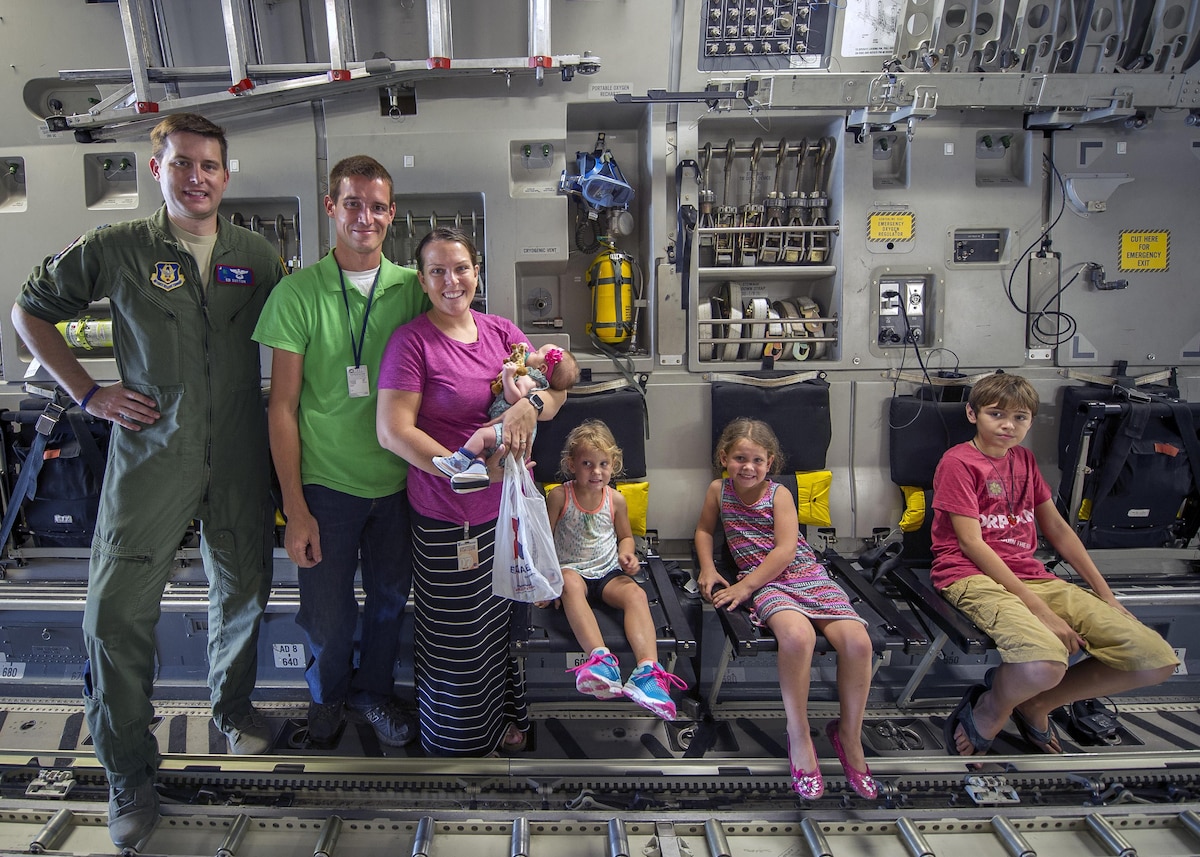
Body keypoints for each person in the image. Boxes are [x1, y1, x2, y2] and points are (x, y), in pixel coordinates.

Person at [10, 113, 285, 850]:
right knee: (114, 613)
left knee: (244, 589)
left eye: (210, 165)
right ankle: (129, 767)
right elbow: (30, 311)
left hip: (238, 449)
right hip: (152, 450)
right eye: (182, 163)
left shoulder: (257, 255)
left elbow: (299, 336)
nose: (197, 177)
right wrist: (87, 393)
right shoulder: (118, 247)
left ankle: (232, 709)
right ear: (156, 168)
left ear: (226, 175)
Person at [252, 155, 429, 750]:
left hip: (400, 484)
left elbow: (465, 349)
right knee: (326, 615)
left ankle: (372, 693)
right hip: (326, 486)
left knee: (388, 602)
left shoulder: (414, 288)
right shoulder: (297, 294)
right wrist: (295, 507)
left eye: (377, 206)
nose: (365, 218)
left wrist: (537, 386)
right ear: (331, 207)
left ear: (392, 213)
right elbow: (282, 408)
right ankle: (327, 695)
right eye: (352, 204)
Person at [376, 226, 565, 756]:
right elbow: (393, 431)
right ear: (422, 280)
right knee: (456, 639)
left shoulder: (502, 332)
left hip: (506, 514)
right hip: (447, 518)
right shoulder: (412, 342)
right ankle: (455, 742)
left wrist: (531, 406)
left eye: (460, 268)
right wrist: (465, 472)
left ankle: (502, 721)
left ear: (476, 273)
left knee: (500, 626)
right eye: (437, 271)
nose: (451, 280)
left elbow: (555, 388)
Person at [932, 372, 1178, 759]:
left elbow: (1059, 530)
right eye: (996, 414)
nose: (1008, 425)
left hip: (1033, 576)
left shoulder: (1024, 460)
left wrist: (1106, 595)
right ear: (972, 414)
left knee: (1154, 660)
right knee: (1046, 664)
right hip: (971, 576)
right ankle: (992, 707)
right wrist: (1039, 610)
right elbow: (971, 543)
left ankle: (1038, 703)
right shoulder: (958, 462)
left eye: (1020, 417)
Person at [695, 418, 877, 800]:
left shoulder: (779, 495)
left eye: (757, 460)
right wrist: (708, 568)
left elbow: (786, 549)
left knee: (858, 642)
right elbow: (705, 531)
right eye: (740, 458)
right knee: (797, 637)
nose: (748, 467)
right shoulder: (718, 491)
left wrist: (744, 587)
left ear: (770, 462)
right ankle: (799, 734)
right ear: (724, 458)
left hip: (802, 573)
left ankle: (849, 735)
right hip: (766, 582)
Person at [544, 420, 686, 720]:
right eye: (587, 464)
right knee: (569, 584)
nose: (596, 471)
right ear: (571, 464)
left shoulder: (616, 500)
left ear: (614, 465)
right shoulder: (559, 496)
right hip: (572, 569)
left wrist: (627, 554)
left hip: (607, 572)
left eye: (603, 464)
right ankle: (601, 660)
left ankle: (647, 673)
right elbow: (544, 541)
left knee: (636, 594)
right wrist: (547, 582)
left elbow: (625, 537)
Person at [434, 342, 579, 492]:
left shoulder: (528, 378)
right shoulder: (539, 381)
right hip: (510, 436)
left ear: (542, 368)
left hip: (507, 431)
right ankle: (478, 469)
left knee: (481, 435)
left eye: (536, 352)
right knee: (482, 451)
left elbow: (514, 398)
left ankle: (459, 461)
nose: (531, 352)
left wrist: (507, 377)